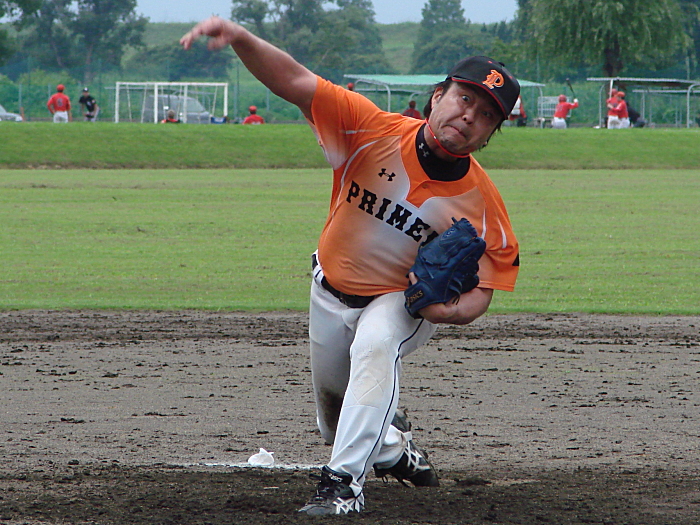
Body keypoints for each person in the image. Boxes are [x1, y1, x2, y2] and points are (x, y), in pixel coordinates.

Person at [181, 17, 520, 516]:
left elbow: (486, 288)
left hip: (400, 301)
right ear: (437, 97)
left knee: (377, 343)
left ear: (490, 133)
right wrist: (242, 39)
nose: (470, 115)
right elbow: (295, 82)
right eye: (464, 98)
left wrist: (449, 312)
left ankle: (342, 487)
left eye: (487, 114)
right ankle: (393, 447)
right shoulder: (369, 128)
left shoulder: (484, 204)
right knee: (335, 422)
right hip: (329, 288)